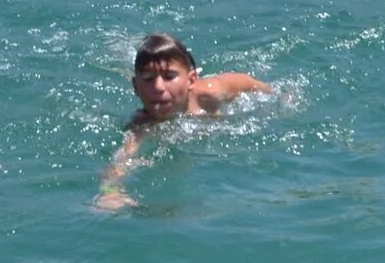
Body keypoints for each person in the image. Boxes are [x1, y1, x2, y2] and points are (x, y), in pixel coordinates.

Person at [94, 33, 272, 211]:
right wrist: (111, 192)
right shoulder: (142, 125)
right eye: (148, 79)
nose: (158, 87)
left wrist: (280, 97)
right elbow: (118, 163)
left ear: (191, 80)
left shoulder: (212, 92)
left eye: (169, 76)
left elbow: (251, 84)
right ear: (135, 87)